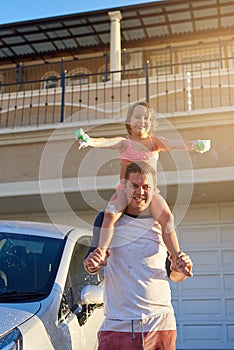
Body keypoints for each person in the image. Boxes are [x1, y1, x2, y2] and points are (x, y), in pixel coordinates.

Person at [75, 101, 210, 272]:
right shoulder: (125, 143)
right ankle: (101, 251)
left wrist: (194, 144)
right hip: (125, 191)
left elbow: (175, 144)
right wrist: (89, 140)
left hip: (149, 193)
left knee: (167, 218)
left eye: (146, 117)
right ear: (129, 121)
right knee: (110, 214)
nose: (142, 121)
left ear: (152, 122)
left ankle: (176, 257)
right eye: (137, 117)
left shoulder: (155, 143)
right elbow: (106, 141)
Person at [84, 162, 193, 350]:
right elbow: (91, 266)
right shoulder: (106, 220)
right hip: (118, 325)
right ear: (124, 186)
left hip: (159, 323)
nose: (140, 192)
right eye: (134, 186)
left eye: (146, 187)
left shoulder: (160, 222)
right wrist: (93, 262)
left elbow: (174, 276)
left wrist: (179, 266)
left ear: (154, 189)